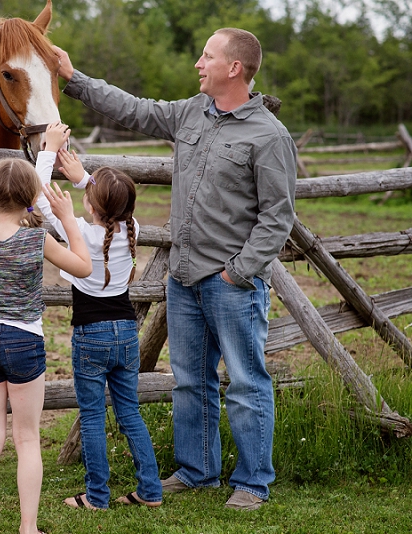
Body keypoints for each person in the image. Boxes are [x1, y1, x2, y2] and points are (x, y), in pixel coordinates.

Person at [52, 27, 297, 511]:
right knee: (190, 381)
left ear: (234, 68)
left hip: (232, 282)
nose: (197, 64)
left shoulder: (269, 135)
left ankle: (252, 483)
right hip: (183, 280)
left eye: (207, 56)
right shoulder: (190, 113)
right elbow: (134, 108)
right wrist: (73, 78)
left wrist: (238, 272)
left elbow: (277, 217)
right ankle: (197, 471)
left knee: (246, 381)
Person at [34, 123, 162, 511]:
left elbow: (38, 202)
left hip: (90, 335)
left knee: (92, 416)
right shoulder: (132, 227)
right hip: (126, 333)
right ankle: (151, 491)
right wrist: (85, 178)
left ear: (92, 207)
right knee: (129, 412)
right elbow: (112, 201)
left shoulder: (80, 233)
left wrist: (48, 152)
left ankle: (97, 496)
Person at [0, 157, 92, 534]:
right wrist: (67, 219)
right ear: (30, 196)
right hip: (24, 340)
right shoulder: (37, 239)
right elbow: (83, 267)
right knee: (27, 438)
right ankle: (28, 528)